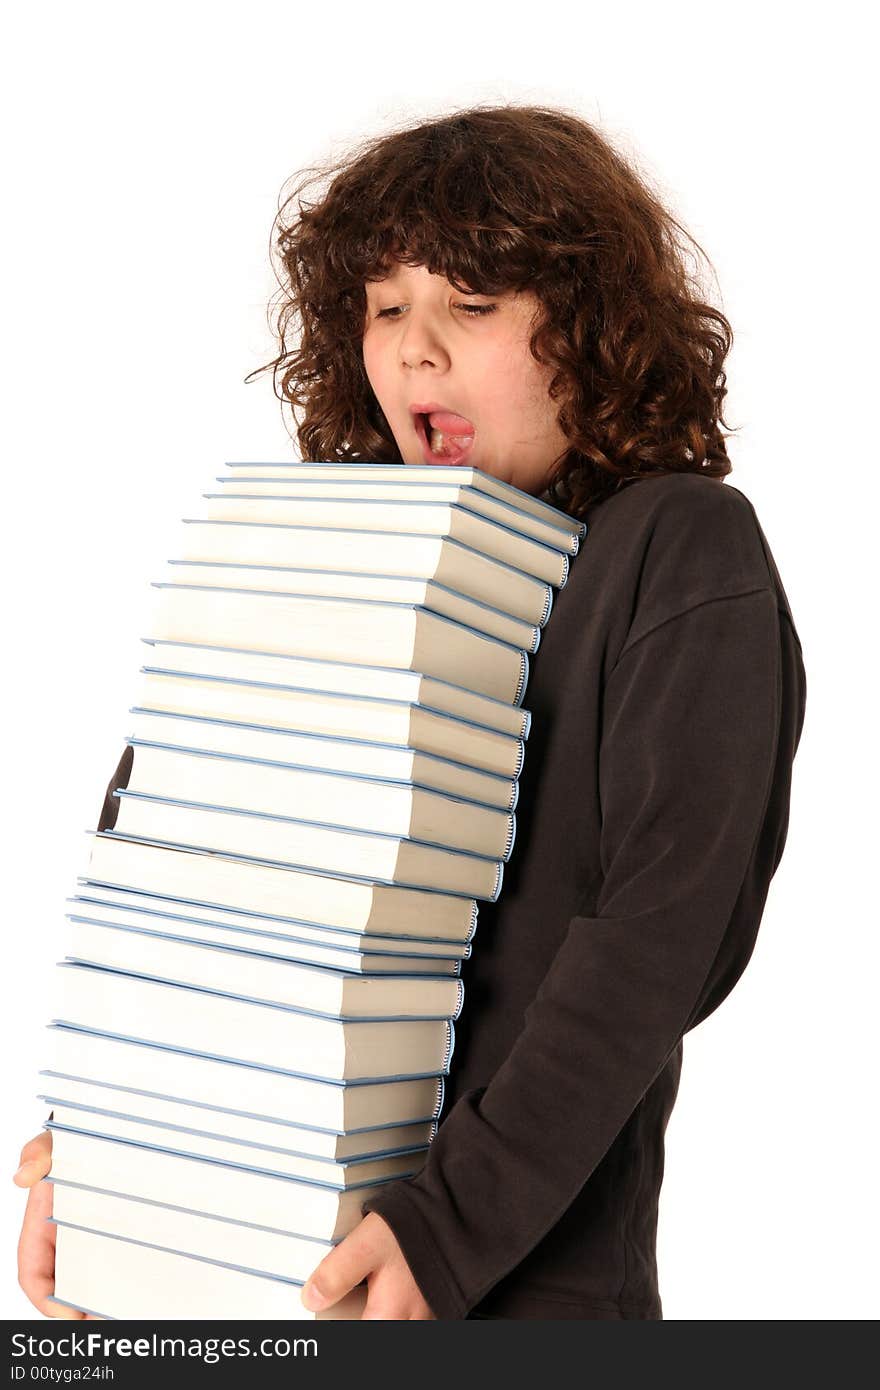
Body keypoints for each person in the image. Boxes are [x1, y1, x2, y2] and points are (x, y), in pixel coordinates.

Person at [14, 103, 807, 1321]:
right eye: (386, 309)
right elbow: (167, 877)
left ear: (590, 330)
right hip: (226, 1275)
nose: (414, 353)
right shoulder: (322, 556)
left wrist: (446, 1232)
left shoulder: (676, 547)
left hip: (514, 1294)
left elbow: (658, 935)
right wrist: (102, 1151)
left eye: (472, 307)